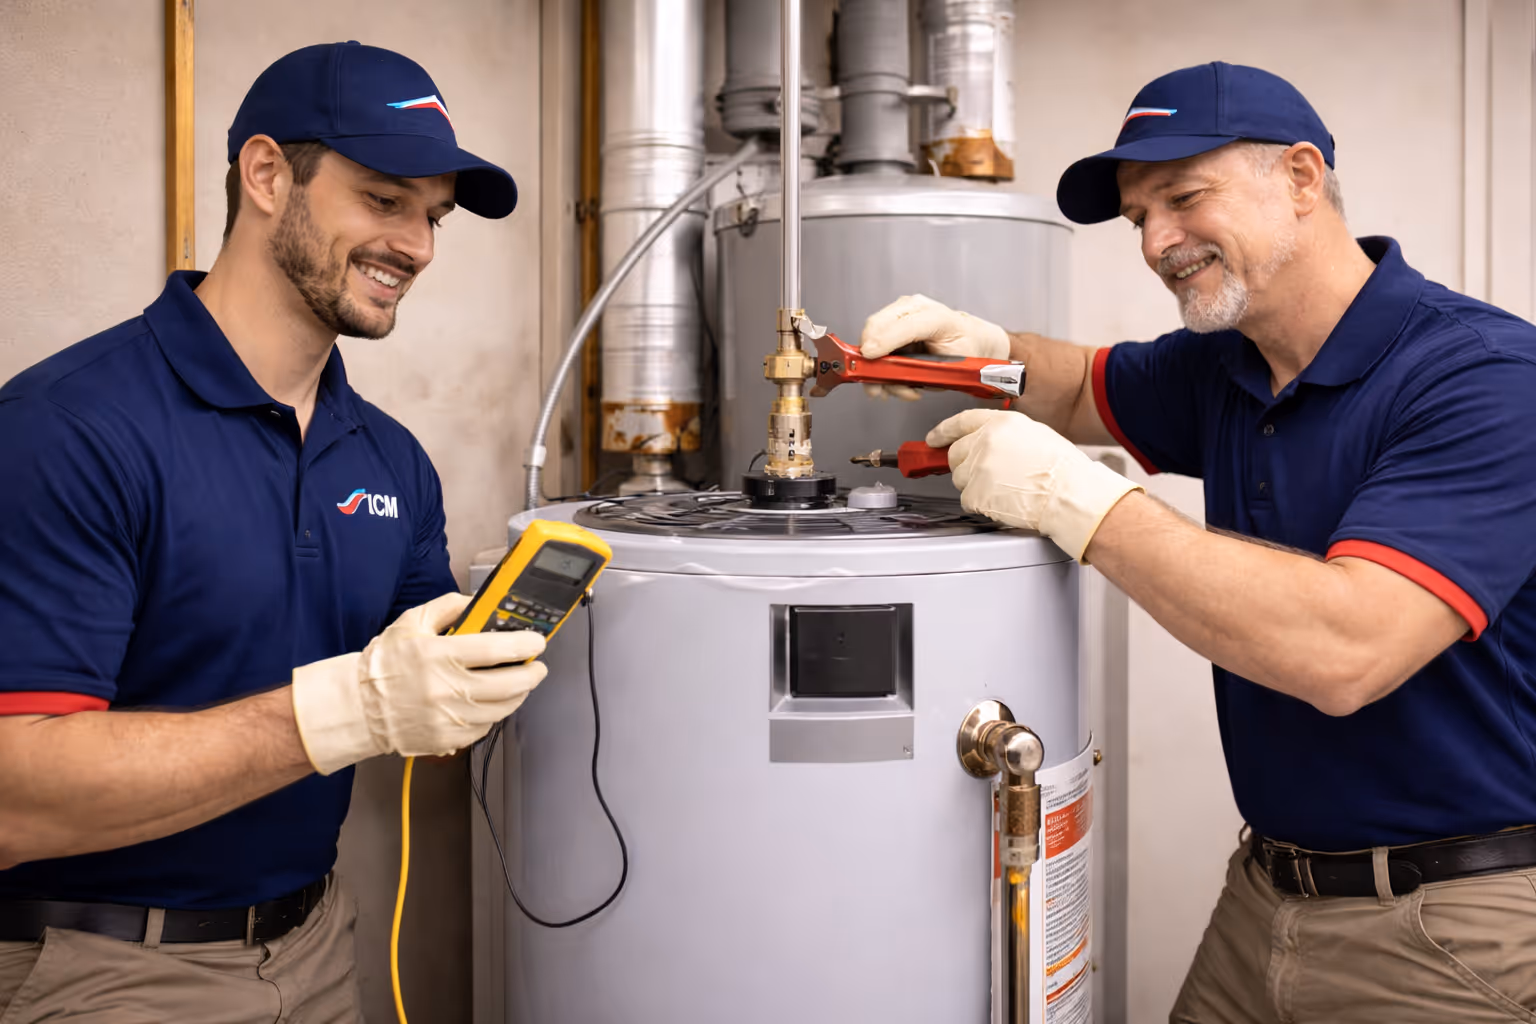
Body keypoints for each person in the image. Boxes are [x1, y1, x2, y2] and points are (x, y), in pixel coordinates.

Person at [863, 62, 1536, 1023]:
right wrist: (974, 356)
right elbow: (1072, 383)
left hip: (1448, 928)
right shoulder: (1227, 362)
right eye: (1140, 217)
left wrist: (1078, 502)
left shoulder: (1486, 379)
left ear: (1302, 179)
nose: (1158, 242)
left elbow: (1348, 650)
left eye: (1183, 198)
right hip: (1264, 897)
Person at [0, 42, 544, 1021]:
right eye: (384, 200)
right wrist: (352, 710)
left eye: (432, 216)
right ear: (265, 175)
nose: (417, 245)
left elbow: (422, 706)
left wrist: (474, 670)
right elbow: (13, 794)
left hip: (319, 951)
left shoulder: (390, 461)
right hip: (105, 968)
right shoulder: (70, 428)